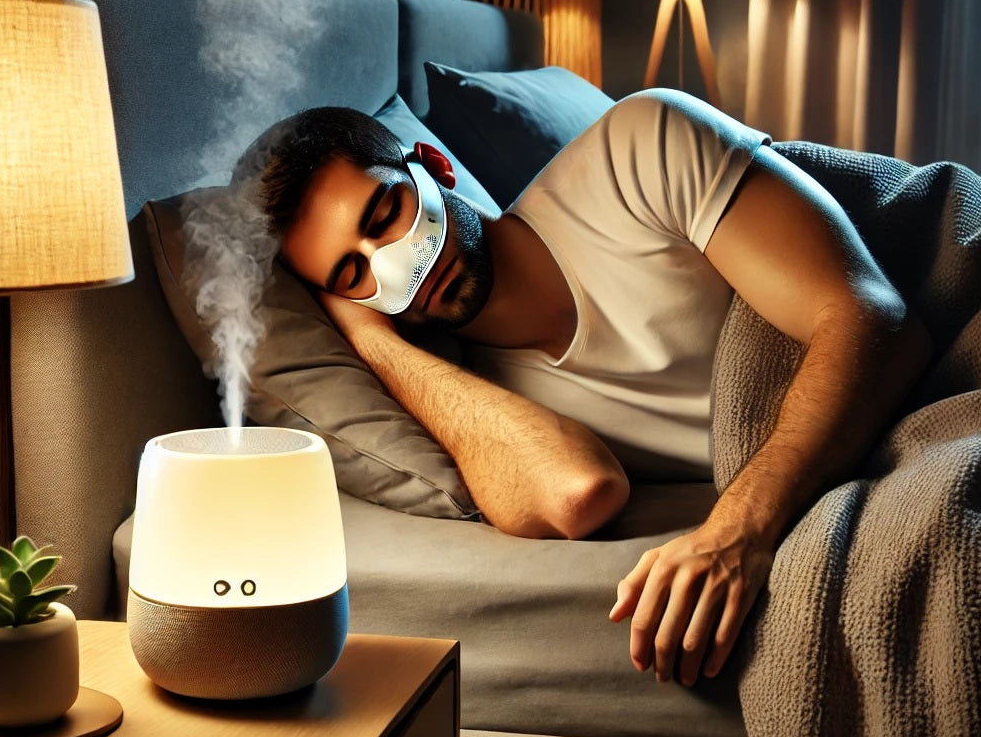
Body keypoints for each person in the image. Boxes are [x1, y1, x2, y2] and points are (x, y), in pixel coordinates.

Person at [253, 88, 932, 688]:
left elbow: (869, 318)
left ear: (432, 167)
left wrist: (739, 530)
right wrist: (374, 339)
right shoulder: (479, 405)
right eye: (351, 274)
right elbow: (579, 494)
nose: (394, 269)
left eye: (384, 216)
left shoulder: (640, 145)